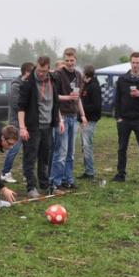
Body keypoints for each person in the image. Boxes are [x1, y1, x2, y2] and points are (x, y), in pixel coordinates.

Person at [17, 55, 65, 199]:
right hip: (32, 126)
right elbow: (21, 107)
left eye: (44, 71)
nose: (41, 73)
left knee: (45, 158)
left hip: (48, 126)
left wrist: (60, 120)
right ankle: (31, 187)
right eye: (39, 70)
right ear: (36, 66)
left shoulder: (53, 80)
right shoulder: (28, 83)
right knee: (30, 158)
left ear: (48, 68)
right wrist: (22, 128)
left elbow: (55, 103)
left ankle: (45, 186)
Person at [49, 48, 87, 191]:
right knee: (61, 152)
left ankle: (68, 179)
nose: (70, 63)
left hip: (73, 116)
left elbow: (78, 98)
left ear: (76, 59)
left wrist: (82, 115)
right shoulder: (58, 74)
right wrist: (60, 119)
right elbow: (54, 97)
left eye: (72, 60)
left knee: (71, 152)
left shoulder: (78, 75)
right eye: (67, 60)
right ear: (64, 60)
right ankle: (55, 181)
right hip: (62, 116)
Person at [112, 52, 139, 185]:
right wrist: (118, 117)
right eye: (133, 62)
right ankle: (121, 174)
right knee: (122, 148)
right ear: (130, 63)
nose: (135, 65)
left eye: (137, 63)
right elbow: (117, 99)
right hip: (124, 119)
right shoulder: (122, 79)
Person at [1, 62, 34, 184]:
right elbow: (16, 105)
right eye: (32, 72)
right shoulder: (16, 86)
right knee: (14, 148)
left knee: (28, 149)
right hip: (16, 123)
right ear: (26, 72)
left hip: (27, 122)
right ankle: (5, 173)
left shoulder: (28, 84)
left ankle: (27, 173)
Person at [78, 64, 102, 180]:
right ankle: (88, 170)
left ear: (86, 74)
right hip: (85, 119)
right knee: (84, 145)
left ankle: (90, 172)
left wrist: (81, 108)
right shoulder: (86, 85)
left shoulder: (94, 87)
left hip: (90, 120)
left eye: (83, 72)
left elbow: (96, 106)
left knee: (87, 145)